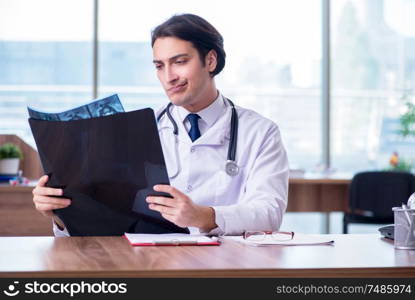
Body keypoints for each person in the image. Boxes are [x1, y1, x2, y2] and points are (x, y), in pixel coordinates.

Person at [32, 13, 289, 236]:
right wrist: (60, 213)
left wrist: (203, 216)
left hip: (227, 265)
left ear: (210, 61)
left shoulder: (260, 132)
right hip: (150, 263)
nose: (169, 77)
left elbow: (269, 212)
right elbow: (108, 218)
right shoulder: (138, 130)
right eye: (159, 66)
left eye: (179, 62)